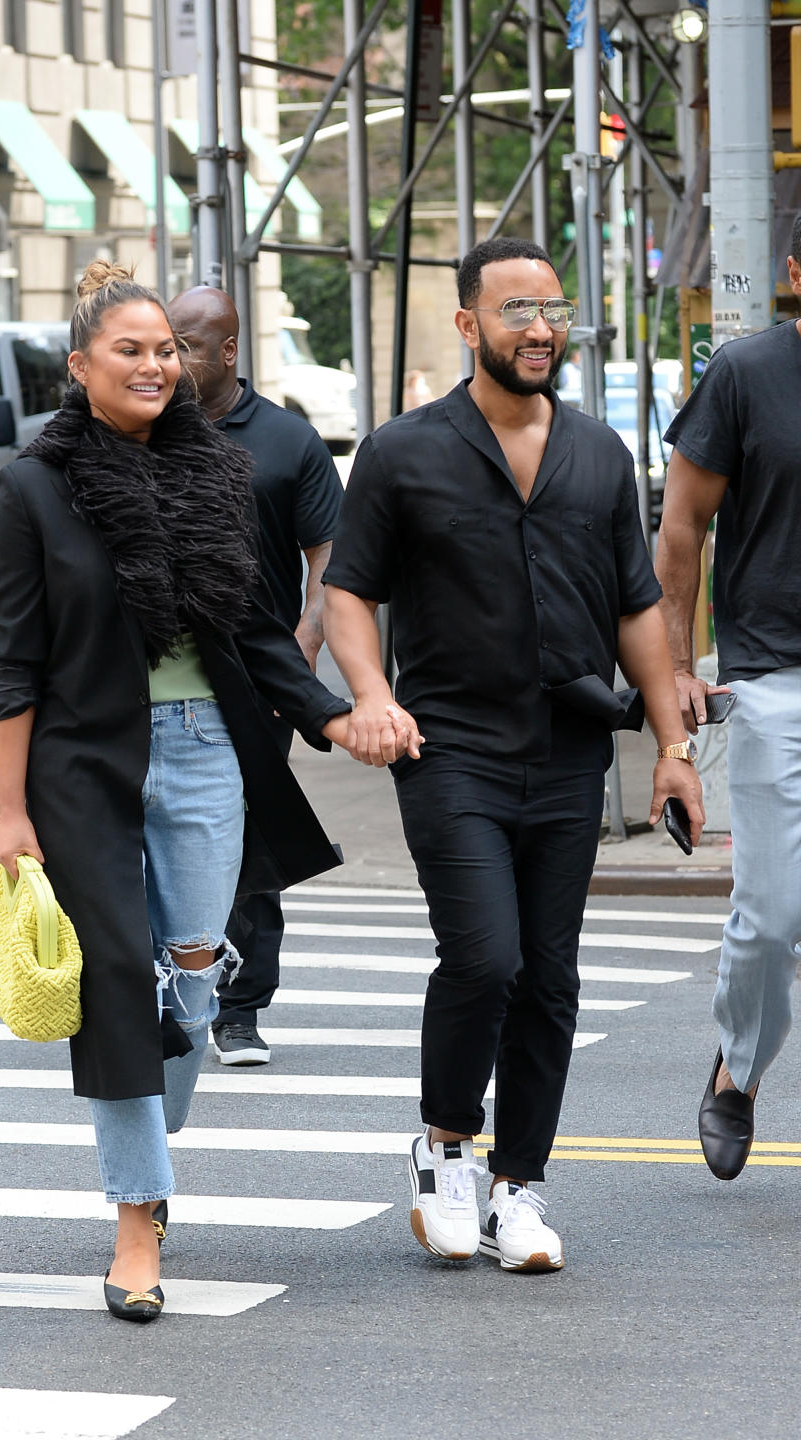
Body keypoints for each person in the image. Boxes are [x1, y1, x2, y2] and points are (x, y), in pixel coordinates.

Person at [0, 260, 398, 1323]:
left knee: (196, 968)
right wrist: (10, 809)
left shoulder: (217, 471)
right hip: (83, 756)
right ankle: (139, 1220)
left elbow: (254, 626)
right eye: (131, 350)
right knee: (118, 977)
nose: (156, 365)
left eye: (166, 350)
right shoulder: (34, 487)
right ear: (80, 367)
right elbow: (19, 659)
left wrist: (330, 714)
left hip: (208, 742)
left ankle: (177, 1055)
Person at [323, 236, 704, 1269]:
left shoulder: (597, 452)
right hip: (450, 748)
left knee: (549, 975)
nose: (541, 329)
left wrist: (673, 745)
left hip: (572, 747)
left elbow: (638, 609)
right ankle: (446, 1148)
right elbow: (348, 587)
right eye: (517, 311)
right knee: (486, 956)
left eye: (553, 310)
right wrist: (370, 693)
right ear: (467, 325)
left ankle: (518, 1189)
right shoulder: (404, 451)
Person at [656, 219, 801, 1182]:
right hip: (774, 675)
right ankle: (736, 1073)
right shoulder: (748, 373)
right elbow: (681, 525)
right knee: (776, 913)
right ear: (796, 273)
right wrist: (672, 666)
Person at [166, 285, 344, 1067]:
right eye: (164, 342)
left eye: (188, 345)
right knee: (165, 833)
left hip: (260, 678)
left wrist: (304, 650)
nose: (173, 359)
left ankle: (239, 1010)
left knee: (246, 838)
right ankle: (166, 989)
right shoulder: (146, 432)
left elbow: (330, 561)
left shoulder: (287, 441)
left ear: (229, 350)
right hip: (163, 678)